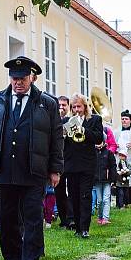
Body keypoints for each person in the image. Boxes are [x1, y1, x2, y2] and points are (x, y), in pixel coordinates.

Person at [0, 56, 63, 260]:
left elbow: (56, 138)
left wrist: (55, 169)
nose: (18, 83)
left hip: (34, 170)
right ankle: (12, 259)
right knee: (7, 217)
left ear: (31, 78)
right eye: (14, 78)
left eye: (22, 79)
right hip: (4, 170)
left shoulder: (47, 104)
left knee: (32, 217)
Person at [62, 93, 104, 238]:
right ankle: (78, 227)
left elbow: (99, 138)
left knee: (85, 195)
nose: (76, 110)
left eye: (79, 106)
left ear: (84, 106)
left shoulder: (94, 120)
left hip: (87, 164)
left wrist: (84, 130)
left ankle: (85, 228)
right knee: (73, 196)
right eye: (74, 107)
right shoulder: (67, 121)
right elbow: (61, 143)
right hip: (71, 164)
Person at [54, 95, 73, 229]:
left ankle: (71, 218)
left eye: (63, 105)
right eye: (59, 105)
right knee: (59, 191)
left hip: (69, 159)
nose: (61, 107)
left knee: (71, 190)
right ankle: (63, 219)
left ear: (68, 107)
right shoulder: (52, 120)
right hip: (57, 160)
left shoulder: (71, 120)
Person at [93, 133, 117, 225]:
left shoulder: (109, 153)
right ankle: (100, 217)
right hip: (97, 180)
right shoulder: (93, 153)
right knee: (99, 201)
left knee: (106, 199)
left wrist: (113, 179)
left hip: (107, 180)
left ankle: (105, 218)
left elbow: (113, 167)